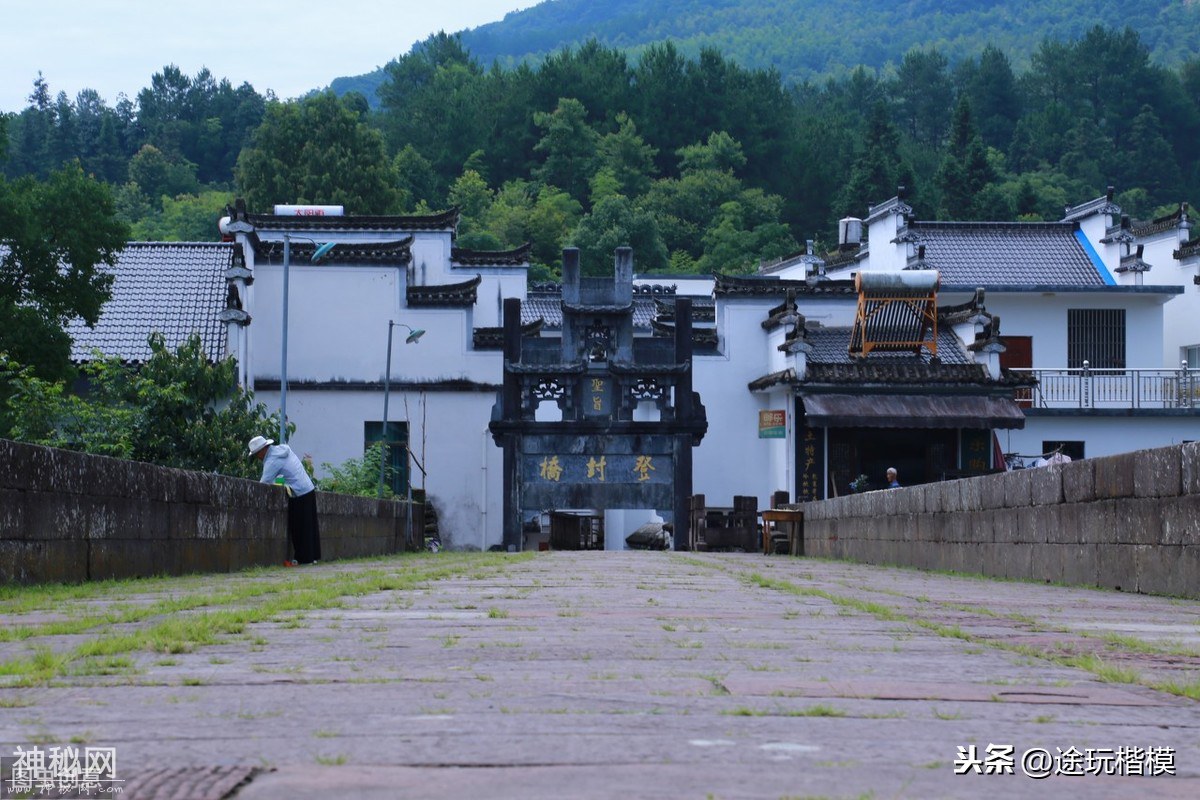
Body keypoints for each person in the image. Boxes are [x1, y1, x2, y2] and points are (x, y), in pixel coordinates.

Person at [249, 435, 321, 566]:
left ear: (262, 450)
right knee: (310, 525)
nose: (257, 457)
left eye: (256, 454)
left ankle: (304, 558)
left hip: (299, 492)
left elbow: (263, 483)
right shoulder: (283, 449)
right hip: (308, 488)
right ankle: (313, 556)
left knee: (299, 527)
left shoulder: (272, 461)